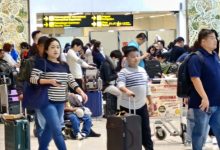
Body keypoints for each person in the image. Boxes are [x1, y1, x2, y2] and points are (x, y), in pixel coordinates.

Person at [30, 37, 88, 150]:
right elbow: (33, 79)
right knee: (56, 129)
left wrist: (81, 92)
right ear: (46, 50)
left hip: (60, 101)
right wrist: (49, 81)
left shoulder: (64, 65)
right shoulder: (42, 63)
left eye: (58, 47)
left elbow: (71, 80)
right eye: (52, 47)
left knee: (49, 128)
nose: (56, 50)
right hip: (46, 101)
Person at [187, 29, 220, 150]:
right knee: (200, 134)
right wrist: (204, 98)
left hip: (217, 102)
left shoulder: (214, 56)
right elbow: (195, 79)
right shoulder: (196, 57)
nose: (215, 40)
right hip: (202, 104)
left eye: (215, 37)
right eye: (211, 38)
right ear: (203, 41)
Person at [117, 46, 154, 150]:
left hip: (142, 106)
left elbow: (147, 88)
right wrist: (126, 90)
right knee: (127, 132)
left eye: (137, 56)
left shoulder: (142, 70)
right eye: (132, 56)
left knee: (146, 131)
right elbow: (120, 85)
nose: (136, 58)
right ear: (126, 58)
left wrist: (151, 103)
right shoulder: (123, 72)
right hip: (125, 107)